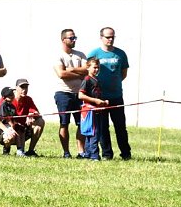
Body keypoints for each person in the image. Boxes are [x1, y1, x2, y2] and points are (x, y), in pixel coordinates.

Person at [87, 27, 132, 160]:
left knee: (120, 126)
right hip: (100, 98)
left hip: (116, 96)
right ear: (101, 37)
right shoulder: (94, 53)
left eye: (112, 37)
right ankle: (107, 154)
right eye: (107, 37)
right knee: (103, 128)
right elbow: (89, 72)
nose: (110, 39)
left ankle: (126, 153)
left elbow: (123, 73)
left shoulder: (120, 54)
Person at [53, 28, 88, 159]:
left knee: (81, 123)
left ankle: (81, 152)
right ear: (64, 40)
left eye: (75, 38)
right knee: (64, 123)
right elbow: (61, 74)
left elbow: (87, 70)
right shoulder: (58, 56)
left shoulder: (80, 55)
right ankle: (66, 152)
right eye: (71, 38)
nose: (74, 40)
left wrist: (71, 69)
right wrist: (79, 74)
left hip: (80, 94)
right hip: (63, 93)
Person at [78, 58, 109, 161]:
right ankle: (94, 155)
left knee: (93, 132)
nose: (96, 69)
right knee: (94, 133)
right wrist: (95, 100)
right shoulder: (87, 80)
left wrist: (103, 102)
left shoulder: (97, 80)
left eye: (98, 68)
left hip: (97, 110)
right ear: (88, 67)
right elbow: (81, 95)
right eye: (94, 67)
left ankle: (88, 154)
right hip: (89, 111)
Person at [12, 78, 45, 156]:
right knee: (10, 135)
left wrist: (31, 115)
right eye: (22, 87)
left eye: (26, 87)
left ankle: (30, 150)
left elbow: (36, 113)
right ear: (16, 88)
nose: (24, 90)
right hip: (11, 129)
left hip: (23, 129)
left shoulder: (28, 99)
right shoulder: (9, 98)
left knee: (40, 121)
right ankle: (6, 149)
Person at [0, 86, 25, 156]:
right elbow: (6, 117)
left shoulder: (12, 106)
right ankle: (6, 150)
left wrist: (16, 124)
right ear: (4, 97)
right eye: (9, 95)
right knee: (10, 135)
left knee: (20, 131)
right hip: (4, 128)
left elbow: (14, 117)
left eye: (12, 94)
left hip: (11, 126)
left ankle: (20, 150)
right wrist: (12, 125)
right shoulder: (3, 105)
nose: (12, 96)